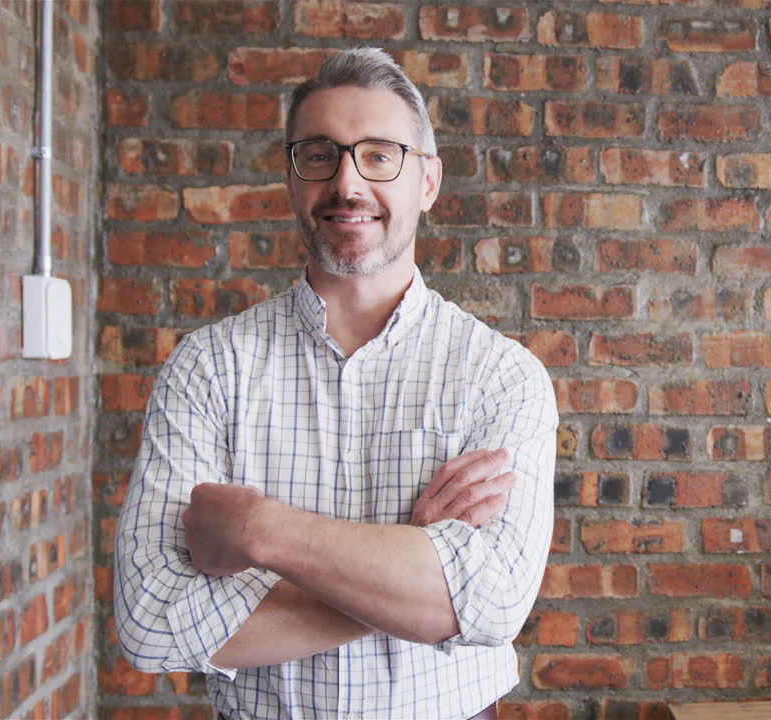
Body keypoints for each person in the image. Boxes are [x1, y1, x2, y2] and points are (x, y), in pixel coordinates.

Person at [114, 48, 558, 720]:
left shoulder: (500, 376)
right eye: (319, 155)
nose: (347, 183)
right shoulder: (208, 368)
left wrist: (262, 531)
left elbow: (491, 606)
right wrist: (405, 566)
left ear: (428, 181)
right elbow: (150, 622)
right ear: (292, 178)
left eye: (380, 155)